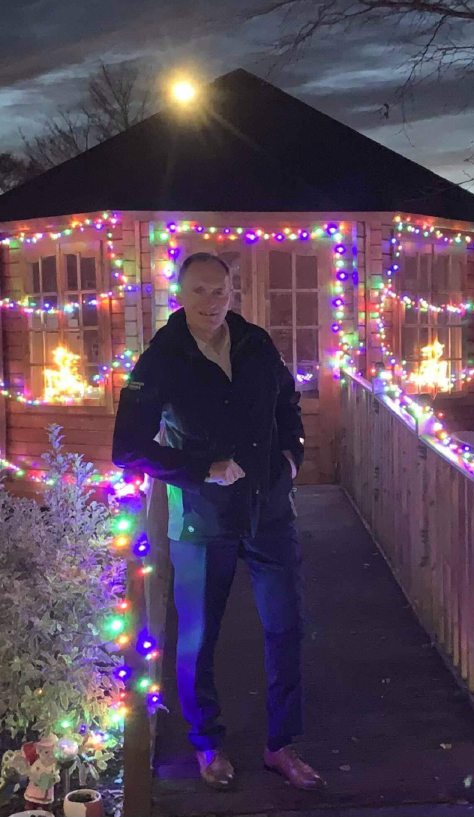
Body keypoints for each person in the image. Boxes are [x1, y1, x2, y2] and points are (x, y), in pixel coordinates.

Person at [112, 251, 324, 792]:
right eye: (200, 291)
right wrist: (199, 467)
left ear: (233, 292)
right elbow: (127, 449)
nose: (211, 301)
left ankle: (282, 745)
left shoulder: (256, 344)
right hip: (201, 520)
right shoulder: (161, 359)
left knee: (287, 627)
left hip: (269, 512)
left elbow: (287, 404)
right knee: (199, 637)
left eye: (220, 290)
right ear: (179, 294)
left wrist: (290, 459)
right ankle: (207, 743)